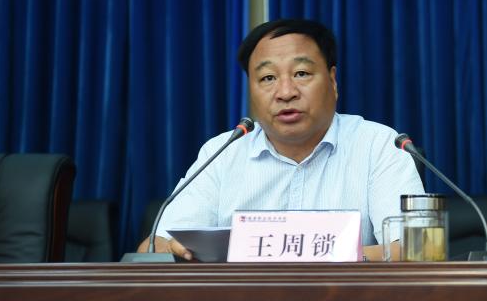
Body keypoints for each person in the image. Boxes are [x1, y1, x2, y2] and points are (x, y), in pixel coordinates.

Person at [137, 18, 424, 261]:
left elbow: (417, 248)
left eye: (301, 73)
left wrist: (298, 254)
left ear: (333, 81)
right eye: (267, 78)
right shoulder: (223, 153)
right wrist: (173, 250)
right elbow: (152, 248)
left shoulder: (377, 145)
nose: (286, 92)